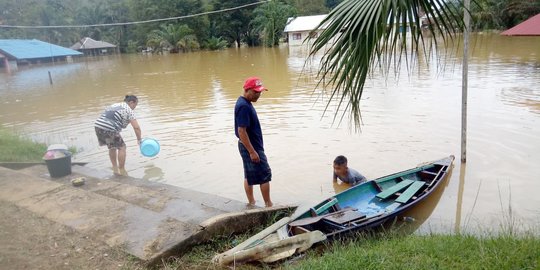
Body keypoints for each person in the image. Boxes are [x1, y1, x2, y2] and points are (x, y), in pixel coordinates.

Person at [234, 77, 273, 207]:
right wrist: (252, 151)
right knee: (265, 174)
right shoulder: (244, 106)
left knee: (248, 175)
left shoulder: (244, 103)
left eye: (260, 92)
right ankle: (268, 205)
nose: (259, 95)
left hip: (248, 146)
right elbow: (241, 131)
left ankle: (251, 203)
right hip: (251, 147)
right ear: (247, 90)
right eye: (256, 92)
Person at [94, 95, 142, 175]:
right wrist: (139, 139)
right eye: (135, 105)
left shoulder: (115, 105)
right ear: (131, 102)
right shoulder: (129, 110)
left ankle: (115, 168)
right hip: (109, 127)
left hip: (98, 125)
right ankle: (122, 171)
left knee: (112, 147)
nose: (134, 108)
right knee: (122, 147)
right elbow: (136, 127)